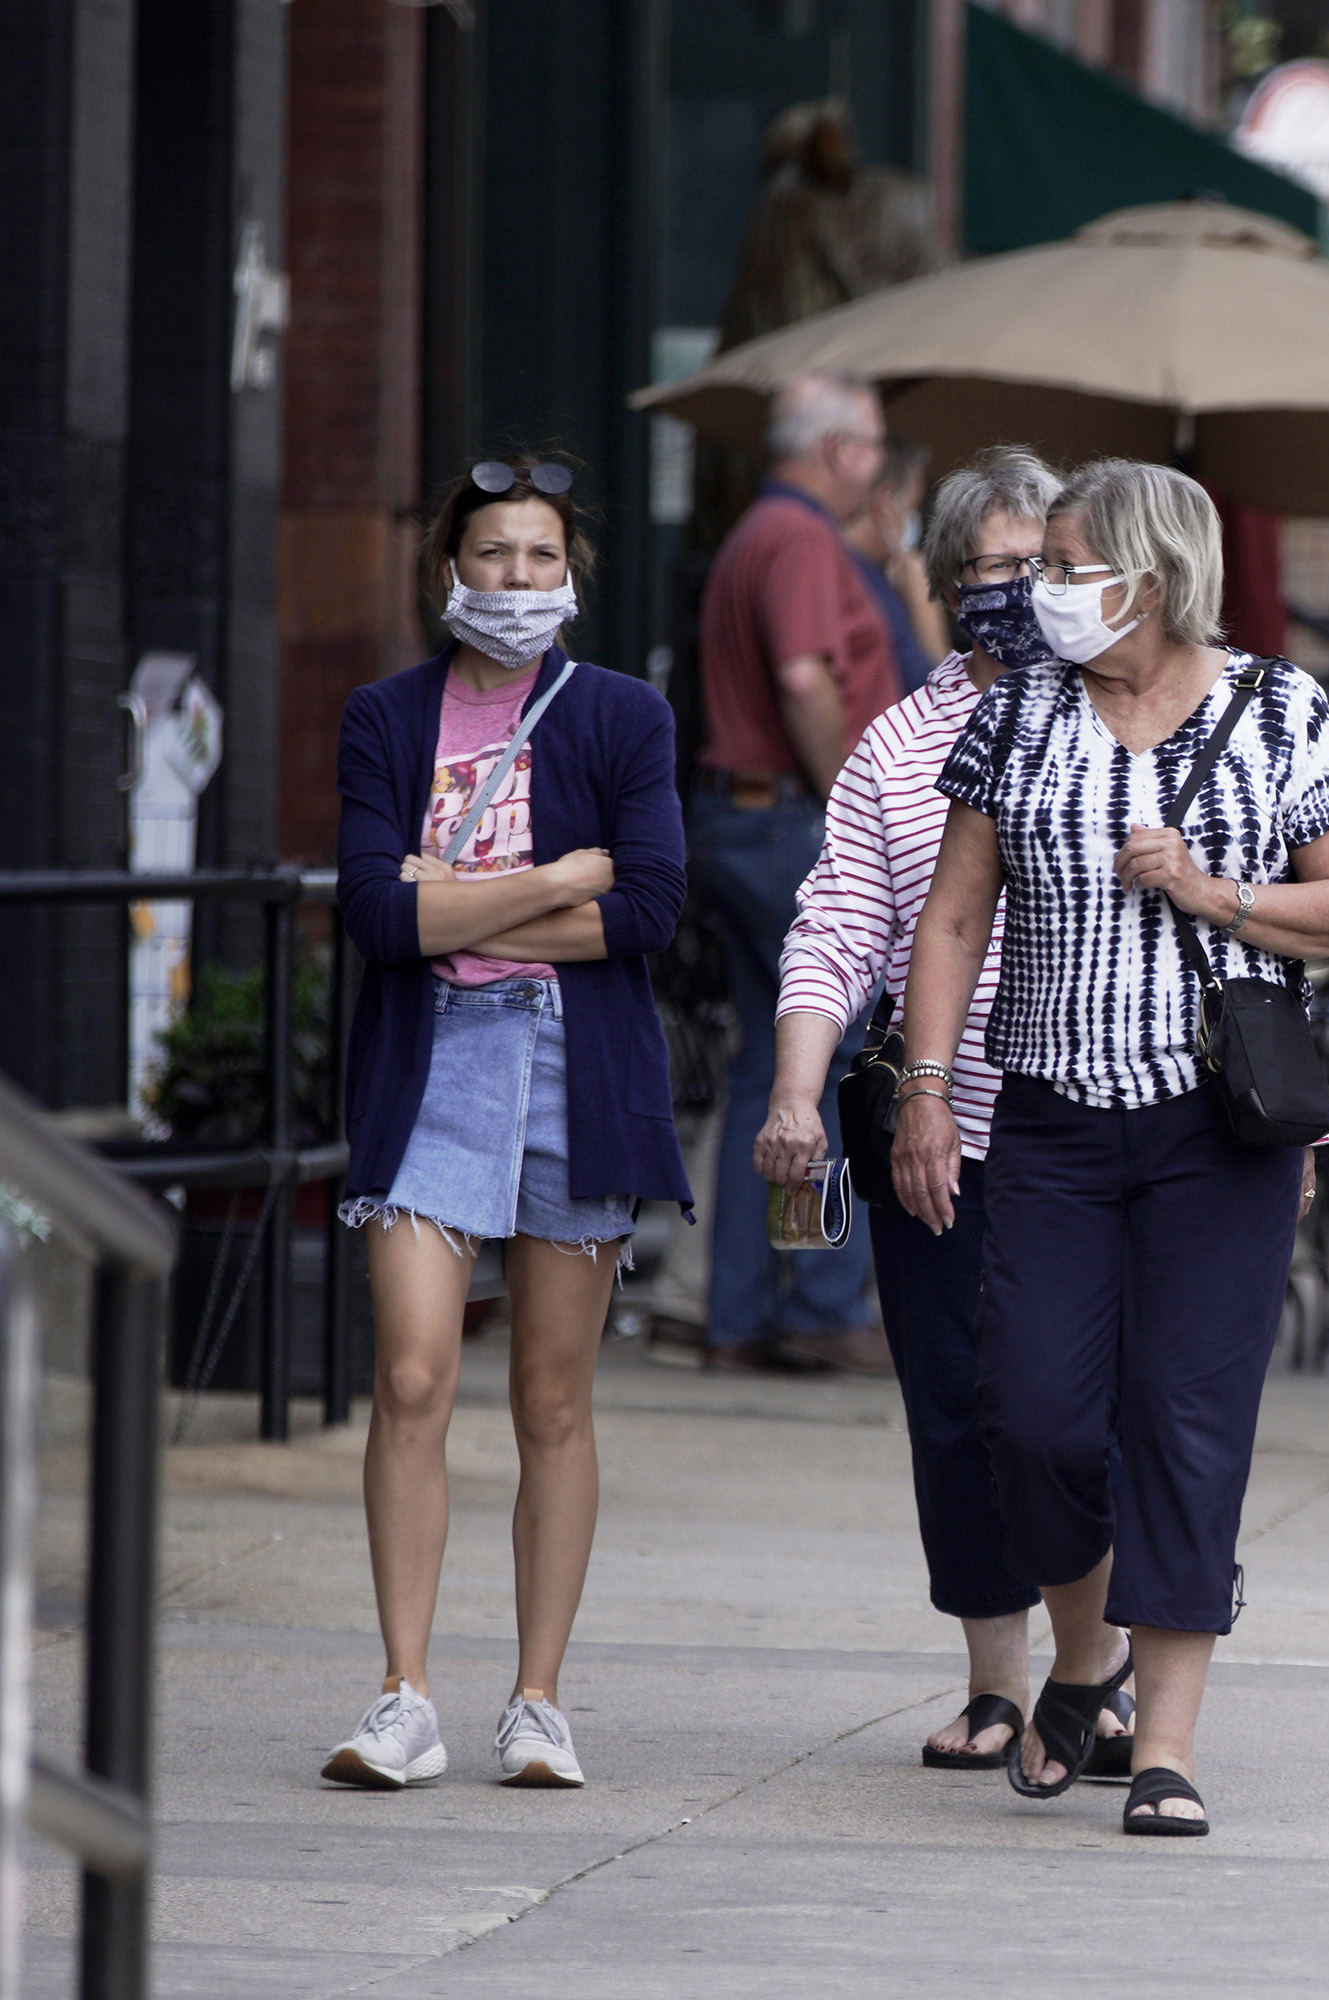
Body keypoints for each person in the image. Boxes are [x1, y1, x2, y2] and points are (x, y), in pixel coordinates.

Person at [899, 459, 1329, 1834]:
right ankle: (1086, 1661)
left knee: (1185, 1423)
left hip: (1211, 1133)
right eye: (1039, 564)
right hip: (1049, 1119)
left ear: (1151, 577)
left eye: (1066, 565)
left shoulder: (1280, 708)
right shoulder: (1020, 716)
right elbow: (950, 919)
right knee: (1034, 1418)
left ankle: (1163, 1748)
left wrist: (1215, 890)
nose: (1039, 591)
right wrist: (929, 1087)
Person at [753, 446, 1128, 1784]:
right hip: (937, 1136)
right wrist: (799, 1086)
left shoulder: (1126, 720)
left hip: (1097, 1123)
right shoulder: (899, 748)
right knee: (961, 1413)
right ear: (938, 584)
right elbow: (841, 925)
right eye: (995, 573)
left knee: (1075, 1413)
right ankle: (995, 1683)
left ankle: (1105, 1664)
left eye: (1050, 569)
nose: (1023, 596)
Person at [323, 457, 690, 1790]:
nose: (517, 581)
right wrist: (550, 882)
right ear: (449, 572)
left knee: (550, 1396)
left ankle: (538, 1699)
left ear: (572, 575)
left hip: (573, 1073)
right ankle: (403, 1692)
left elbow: (648, 908)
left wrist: (454, 898)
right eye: (493, 557)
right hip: (434, 1067)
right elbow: (373, 915)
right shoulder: (385, 716)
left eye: (541, 558)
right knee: (413, 1372)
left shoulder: (623, 717)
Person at [682, 370, 902, 1374]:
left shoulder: (757, 533)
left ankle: (739, 1311)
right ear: (836, 452)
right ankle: (815, 1296)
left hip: (745, 815)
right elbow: (806, 677)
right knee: (836, 1052)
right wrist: (856, 799)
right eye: (873, 448)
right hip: (786, 823)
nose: (880, 467)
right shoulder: (802, 537)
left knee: (767, 1070)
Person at [847, 437, 948, 695]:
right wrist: (923, 598)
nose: (912, 521)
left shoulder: (871, 573)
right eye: (912, 506)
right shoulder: (857, 581)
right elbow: (935, 694)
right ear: (884, 504)